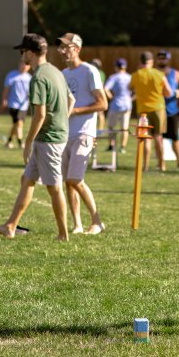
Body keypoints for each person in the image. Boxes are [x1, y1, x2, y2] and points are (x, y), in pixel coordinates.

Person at [0, 34, 73, 241]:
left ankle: (63, 234)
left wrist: (27, 143)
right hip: (52, 136)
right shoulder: (55, 71)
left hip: (49, 140)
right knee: (27, 180)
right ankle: (10, 226)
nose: (21, 55)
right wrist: (62, 120)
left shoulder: (39, 77)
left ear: (31, 53)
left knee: (54, 188)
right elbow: (71, 99)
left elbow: (40, 115)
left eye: (22, 51)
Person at [57, 32, 107, 235]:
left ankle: (97, 221)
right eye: (60, 47)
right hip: (65, 133)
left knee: (75, 179)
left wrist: (75, 111)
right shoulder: (63, 74)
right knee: (68, 182)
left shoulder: (89, 71)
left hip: (84, 132)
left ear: (76, 49)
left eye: (66, 47)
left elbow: (102, 103)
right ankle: (77, 224)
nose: (62, 51)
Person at [128, 51, 172, 171]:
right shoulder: (159, 74)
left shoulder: (136, 75)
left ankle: (145, 166)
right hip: (158, 108)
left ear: (140, 62)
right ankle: (162, 164)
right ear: (151, 62)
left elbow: (129, 88)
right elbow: (168, 92)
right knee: (158, 137)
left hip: (142, 110)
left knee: (145, 137)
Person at [156, 50, 179, 170]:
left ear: (168, 59)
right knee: (158, 137)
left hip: (172, 110)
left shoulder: (176, 74)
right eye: (159, 58)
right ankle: (160, 163)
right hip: (156, 110)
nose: (161, 60)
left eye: (164, 58)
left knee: (175, 137)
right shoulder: (153, 73)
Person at [1, 59, 32, 149]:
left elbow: (31, 92)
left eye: (26, 65)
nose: (24, 66)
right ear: (19, 64)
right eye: (22, 64)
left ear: (29, 67)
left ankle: (9, 141)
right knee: (19, 123)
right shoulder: (12, 75)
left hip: (24, 105)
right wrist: (4, 100)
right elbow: (6, 89)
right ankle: (20, 143)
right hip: (13, 104)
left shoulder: (29, 78)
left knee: (17, 124)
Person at [104, 58, 133, 153]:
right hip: (127, 105)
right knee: (125, 127)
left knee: (111, 127)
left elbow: (106, 89)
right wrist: (131, 99)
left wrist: (111, 97)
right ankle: (123, 147)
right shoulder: (130, 77)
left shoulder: (114, 77)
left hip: (116, 104)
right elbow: (136, 91)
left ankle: (111, 145)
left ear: (116, 67)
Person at [90, 57, 108, 134]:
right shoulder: (99, 73)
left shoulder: (99, 73)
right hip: (95, 94)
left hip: (98, 94)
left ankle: (100, 129)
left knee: (100, 113)